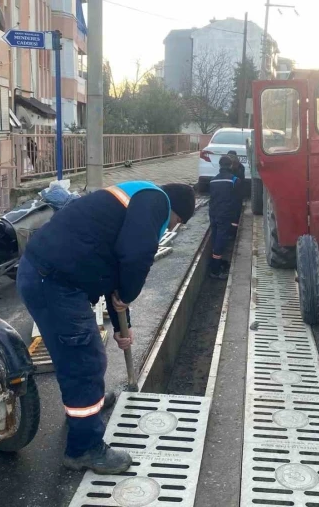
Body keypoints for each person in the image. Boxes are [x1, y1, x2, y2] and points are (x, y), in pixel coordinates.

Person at [17, 181, 195, 474]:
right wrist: (126, 295)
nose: (172, 228)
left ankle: (89, 406)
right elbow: (135, 255)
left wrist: (122, 325)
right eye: (177, 223)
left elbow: (114, 268)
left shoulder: (134, 201)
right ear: (174, 211)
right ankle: (83, 449)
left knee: (79, 358)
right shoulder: (156, 202)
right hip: (54, 283)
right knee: (84, 362)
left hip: (51, 277)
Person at [209, 156, 240, 279]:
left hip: (213, 213)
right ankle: (215, 270)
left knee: (216, 238)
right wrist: (235, 221)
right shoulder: (234, 180)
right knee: (221, 241)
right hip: (225, 215)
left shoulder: (212, 181)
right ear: (231, 165)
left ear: (220, 165)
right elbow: (237, 202)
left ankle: (216, 263)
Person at [227, 150, 245, 235]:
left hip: (233, 195)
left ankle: (232, 233)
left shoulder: (238, 167)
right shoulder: (240, 167)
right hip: (235, 196)